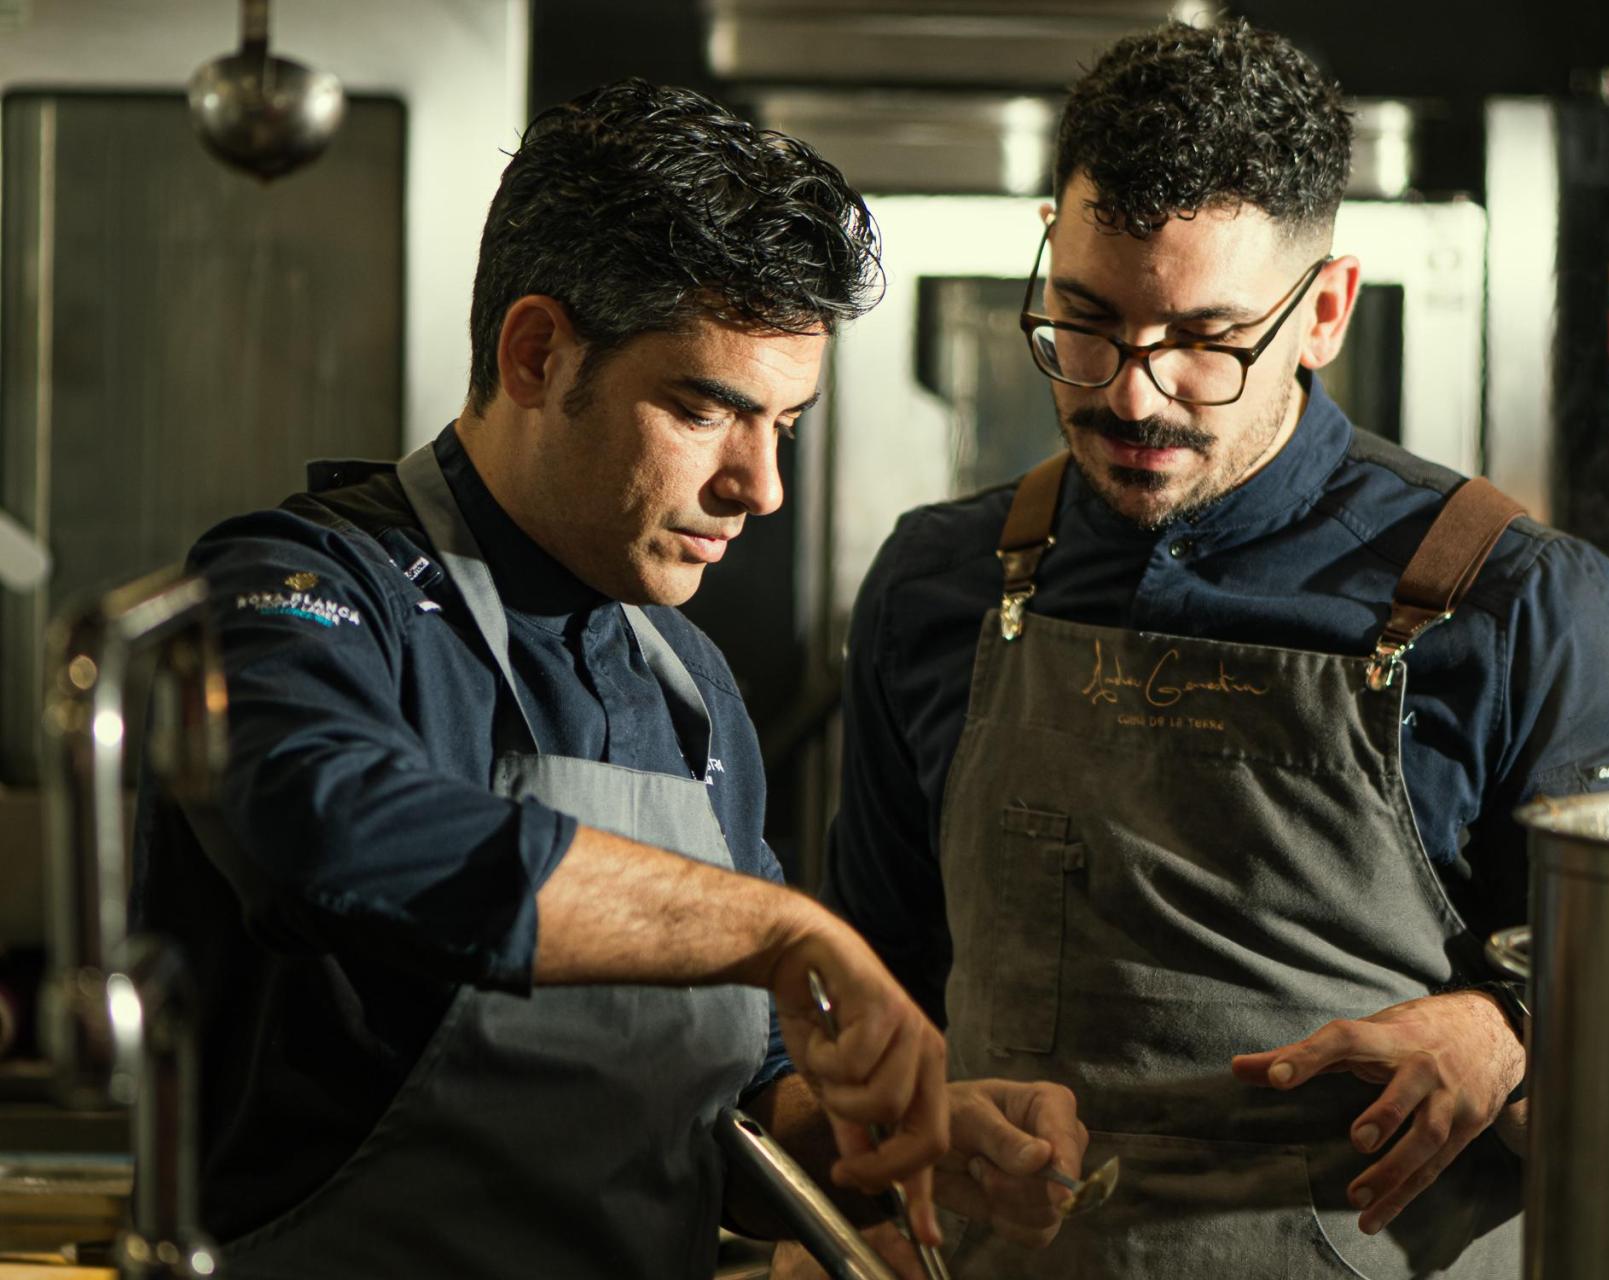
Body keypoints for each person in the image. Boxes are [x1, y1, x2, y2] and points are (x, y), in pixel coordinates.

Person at [131, 80, 1085, 1279]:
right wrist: (775, 928)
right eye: (706, 409)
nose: (760, 486)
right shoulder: (304, 584)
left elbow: (726, 1089)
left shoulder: (688, 684)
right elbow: (323, 821)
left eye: (782, 424)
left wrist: (882, 1141)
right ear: (537, 352)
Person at [822, 20, 1609, 1279]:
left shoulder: (1519, 605)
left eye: (1204, 339)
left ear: (1322, 310)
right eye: (1086, 319)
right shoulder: (935, 581)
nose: (1131, 391)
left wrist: (1506, 1028)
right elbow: (873, 991)